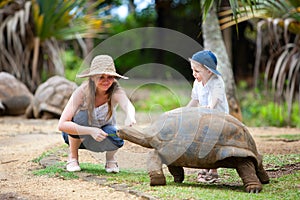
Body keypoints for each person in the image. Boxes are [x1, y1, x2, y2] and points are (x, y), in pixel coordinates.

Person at [58, 55, 136, 173]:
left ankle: (111, 159)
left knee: (116, 134)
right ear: (93, 77)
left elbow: (127, 104)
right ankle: (73, 157)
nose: (106, 81)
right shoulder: (82, 91)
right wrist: (91, 130)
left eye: (110, 77)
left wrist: (130, 116)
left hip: (102, 135)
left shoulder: (115, 90)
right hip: (78, 136)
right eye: (101, 77)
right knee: (81, 116)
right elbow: (62, 124)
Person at [187, 50, 229, 183]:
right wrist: (185, 111)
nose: (194, 74)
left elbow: (215, 98)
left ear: (209, 71)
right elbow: (194, 100)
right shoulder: (197, 83)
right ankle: (204, 167)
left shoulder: (217, 81)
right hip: (204, 118)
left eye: (197, 71)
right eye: (193, 70)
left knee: (213, 143)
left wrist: (210, 106)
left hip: (219, 119)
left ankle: (214, 170)